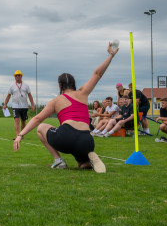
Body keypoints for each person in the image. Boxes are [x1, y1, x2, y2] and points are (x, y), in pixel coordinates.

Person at [13, 43, 119, 173]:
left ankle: (58, 161)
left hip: (66, 137)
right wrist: (110, 56)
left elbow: (37, 119)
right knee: (81, 165)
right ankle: (87, 159)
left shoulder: (56, 100)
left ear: (59, 86)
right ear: (73, 84)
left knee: (41, 128)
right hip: (87, 140)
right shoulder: (83, 93)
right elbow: (97, 74)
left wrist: (20, 135)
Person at [3, 70, 36, 137]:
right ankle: (18, 135)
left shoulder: (26, 85)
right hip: (15, 106)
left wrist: (32, 105)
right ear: (14, 77)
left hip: (24, 106)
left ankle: (22, 134)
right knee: (16, 120)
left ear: (21, 76)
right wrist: (5, 104)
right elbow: (8, 95)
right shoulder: (12, 86)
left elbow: (29, 95)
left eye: (19, 75)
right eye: (16, 76)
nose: (17, 77)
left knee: (23, 122)